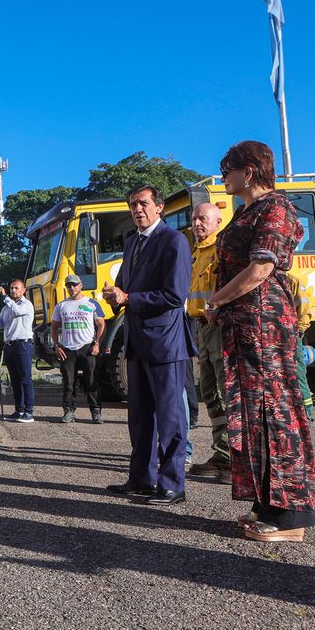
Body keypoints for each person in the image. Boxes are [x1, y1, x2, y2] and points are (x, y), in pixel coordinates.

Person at [207, 141, 315, 541]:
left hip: (265, 325)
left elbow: (261, 267)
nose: (223, 177)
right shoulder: (247, 211)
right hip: (246, 326)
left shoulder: (276, 208)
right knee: (253, 413)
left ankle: (291, 518)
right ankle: (267, 505)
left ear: (249, 171)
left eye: (227, 169)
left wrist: (216, 300)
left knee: (276, 411)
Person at [102, 184, 195, 506]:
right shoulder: (132, 244)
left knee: (170, 417)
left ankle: (172, 484)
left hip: (166, 343)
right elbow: (127, 290)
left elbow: (174, 295)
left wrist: (130, 298)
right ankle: (141, 478)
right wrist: (116, 296)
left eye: (142, 204)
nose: (137, 210)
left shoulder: (174, 241)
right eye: (132, 205)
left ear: (159, 207)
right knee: (139, 416)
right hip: (137, 340)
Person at [186, 203, 231, 483]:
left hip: (218, 325)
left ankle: (232, 456)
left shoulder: (222, 249)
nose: (197, 223)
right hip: (200, 326)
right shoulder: (197, 251)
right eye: (194, 219)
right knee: (210, 390)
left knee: (226, 389)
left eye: (203, 218)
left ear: (217, 221)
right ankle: (221, 453)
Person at [50, 274, 105, 424]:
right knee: (68, 382)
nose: (71, 288)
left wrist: (97, 343)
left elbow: (101, 323)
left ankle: (96, 411)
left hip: (87, 347)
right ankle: (68, 411)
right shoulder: (61, 306)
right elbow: (54, 327)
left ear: (81, 285)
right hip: (68, 349)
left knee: (91, 380)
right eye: (68, 285)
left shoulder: (91, 303)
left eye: (74, 285)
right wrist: (57, 345)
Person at [0, 279, 35, 423]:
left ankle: (29, 412)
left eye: (16, 288)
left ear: (23, 290)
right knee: (14, 380)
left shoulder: (26, 305)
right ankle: (19, 410)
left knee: (25, 379)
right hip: (9, 345)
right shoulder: (6, 308)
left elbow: (19, 311)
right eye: (11, 288)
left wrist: (5, 298)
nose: (13, 290)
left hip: (23, 344)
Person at [286, 273, 314, 422]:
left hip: (291, 333)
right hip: (273, 334)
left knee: (298, 373)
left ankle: (306, 412)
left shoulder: (292, 282)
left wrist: (300, 330)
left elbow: (304, 310)